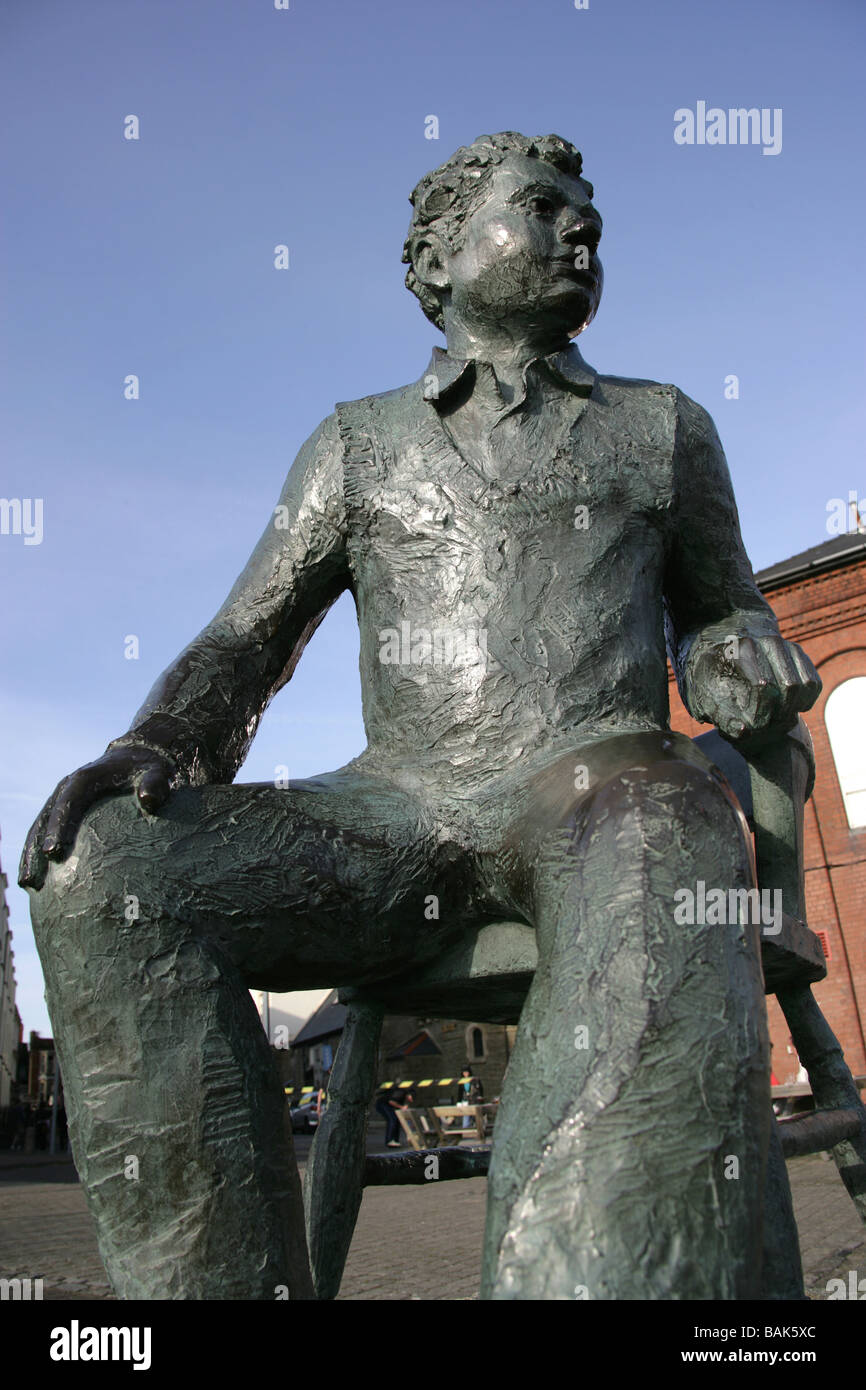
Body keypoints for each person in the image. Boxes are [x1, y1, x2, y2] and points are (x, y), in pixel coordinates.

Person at [21, 131, 820, 1300]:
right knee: (101, 867)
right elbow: (246, 638)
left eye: (587, 213)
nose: (581, 229)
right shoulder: (358, 442)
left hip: (592, 784)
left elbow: (720, 613)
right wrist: (153, 742)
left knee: (659, 823)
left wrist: (737, 658)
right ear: (440, 260)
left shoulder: (661, 426)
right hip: (391, 811)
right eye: (542, 207)